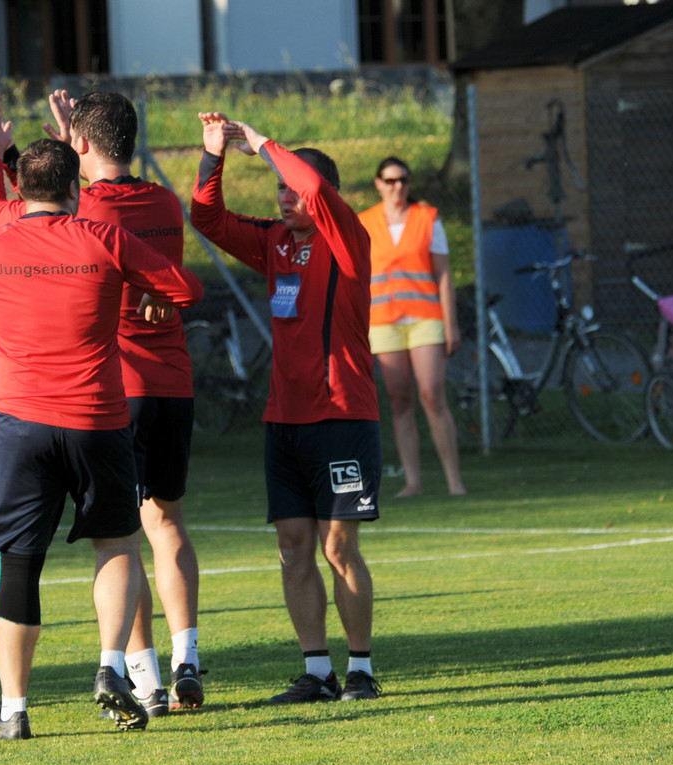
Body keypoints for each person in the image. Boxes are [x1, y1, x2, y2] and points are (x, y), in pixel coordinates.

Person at [0, 137, 204, 741]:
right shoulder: (104, 238)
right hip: (98, 420)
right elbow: (188, 289)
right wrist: (152, 296)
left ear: (20, 190)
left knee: (19, 564)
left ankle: (15, 712)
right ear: (76, 188)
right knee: (118, 545)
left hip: (20, 425)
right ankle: (109, 667)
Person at [190, 113, 382, 702]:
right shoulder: (275, 241)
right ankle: (317, 671)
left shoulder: (346, 237)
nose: (285, 197)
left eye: (291, 188)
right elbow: (207, 219)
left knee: (338, 547)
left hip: (341, 415)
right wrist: (214, 156)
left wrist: (261, 143)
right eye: (279, 189)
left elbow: (316, 186)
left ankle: (361, 670)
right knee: (293, 547)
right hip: (284, 421)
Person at [358, 157, 466, 497]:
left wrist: (451, 324)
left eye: (403, 180)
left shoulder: (426, 218)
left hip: (424, 316)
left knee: (432, 393)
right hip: (383, 320)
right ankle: (413, 482)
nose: (398, 187)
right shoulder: (365, 222)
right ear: (378, 183)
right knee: (399, 398)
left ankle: (455, 482)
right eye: (390, 181)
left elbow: (443, 275)